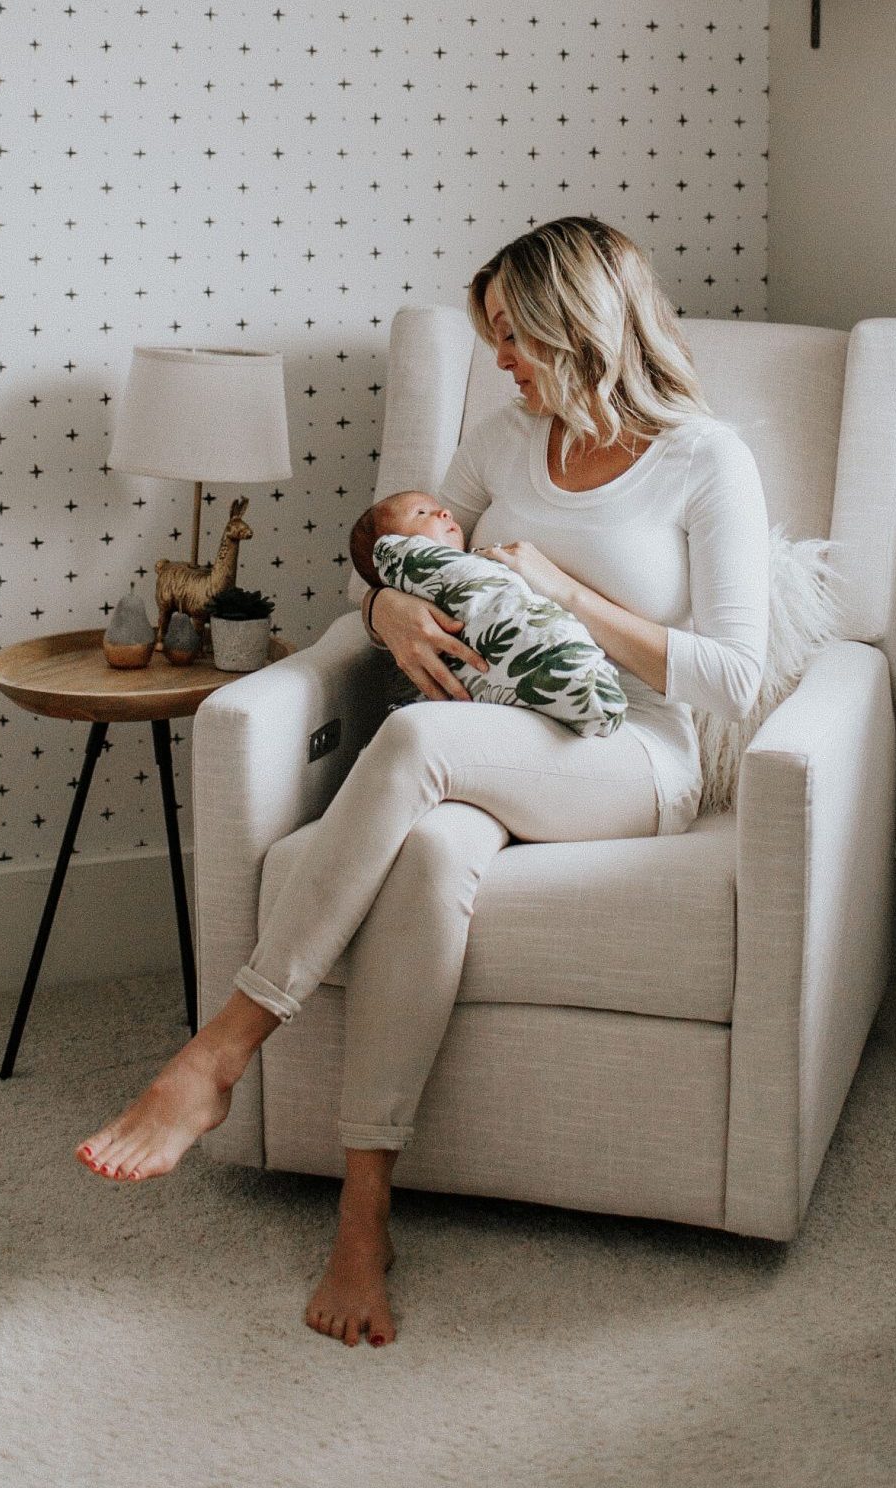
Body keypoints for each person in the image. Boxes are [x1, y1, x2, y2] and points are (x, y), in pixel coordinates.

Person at [76, 215, 770, 1350]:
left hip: (630, 753)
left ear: (577, 322)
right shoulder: (505, 440)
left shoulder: (705, 459)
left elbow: (736, 681)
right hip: (499, 732)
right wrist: (385, 608)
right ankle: (363, 1214)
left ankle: (222, 1050)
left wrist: (571, 596)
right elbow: (395, 556)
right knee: (432, 856)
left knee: (410, 747)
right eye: (491, 337)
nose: (499, 360)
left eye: (512, 336)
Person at [349, 489, 629, 736]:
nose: (444, 511)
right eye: (421, 512)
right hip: (467, 712)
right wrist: (378, 604)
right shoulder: (411, 566)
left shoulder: (474, 567)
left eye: (438, 508)